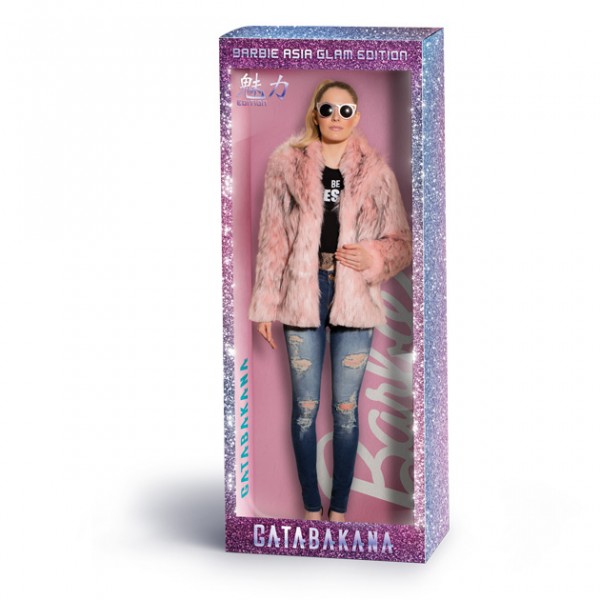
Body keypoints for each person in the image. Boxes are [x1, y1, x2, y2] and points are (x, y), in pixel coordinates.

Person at [248, 80, 412, 522]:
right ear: (315, 114)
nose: (336, 118)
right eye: (327, 109)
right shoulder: (286, 164)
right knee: (304, 410)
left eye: (345, 110)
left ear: (357, 117)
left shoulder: (377, 173)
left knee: (346, 411)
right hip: (302, 292)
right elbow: (273, 240)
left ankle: (337, 512)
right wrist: (265, 304)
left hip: (354, 296)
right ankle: (309, 508)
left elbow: (401, 242)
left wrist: (373, 255)